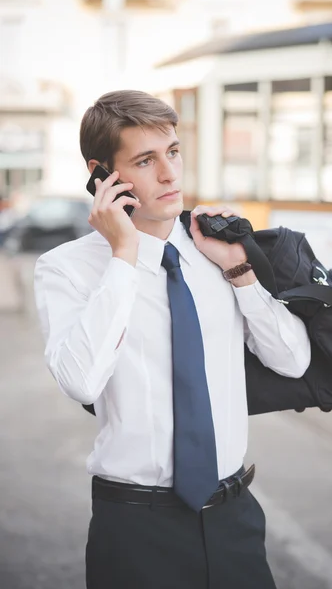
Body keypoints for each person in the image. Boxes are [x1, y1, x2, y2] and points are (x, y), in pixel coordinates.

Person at [33, 90, 311, 589]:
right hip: (136, 527)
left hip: (235, 520)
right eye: (145, 160)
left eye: (174, 152)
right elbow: (80, 381)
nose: (169, 174)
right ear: (102, 175)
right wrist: (123, 255)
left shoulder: (218, 249)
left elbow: (292, 362)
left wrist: (240, 273)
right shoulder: (65, 269)